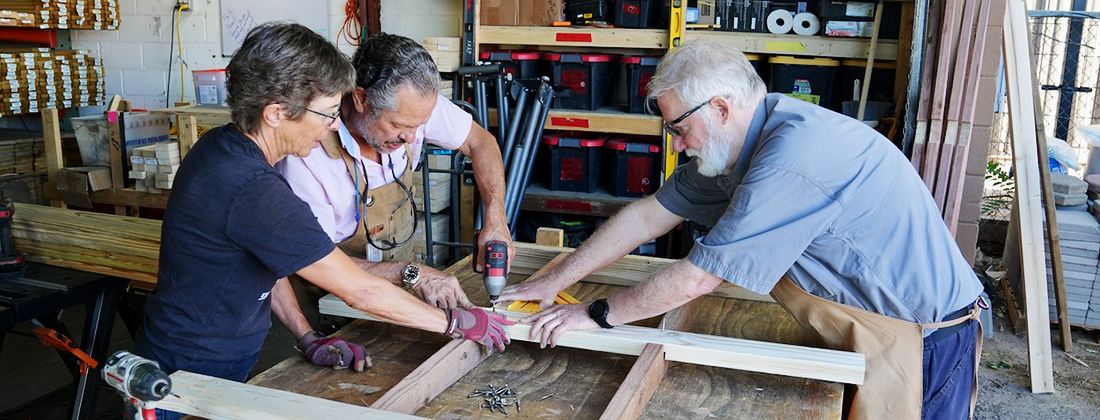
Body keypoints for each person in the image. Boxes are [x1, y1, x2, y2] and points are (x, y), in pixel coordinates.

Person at [498, 40, 985, 420]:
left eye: (678, 129)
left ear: (721, 108)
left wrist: (597, 314)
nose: (678, 145)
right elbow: (650, 213)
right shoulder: (736, 149)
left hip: (922, 343)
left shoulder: (790, 159)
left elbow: (698, 277)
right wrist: (556, 279)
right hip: (873, 326)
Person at [134, 23, 513, 420]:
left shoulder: (222, 146)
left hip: (213, 356)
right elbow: (359, 292)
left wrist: (306, 336)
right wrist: (453, 322)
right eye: (329, 114)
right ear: (277, 114)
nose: (335, 126)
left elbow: (269, 263)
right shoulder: (255, 189)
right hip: (184, 374)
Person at [275, 33, 511, 311]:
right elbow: (315, 261)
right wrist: (410, 273)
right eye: (400, 125)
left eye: (419, 125)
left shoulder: (413, 106)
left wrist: (496, 217)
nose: (412, 137)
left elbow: (481, 141)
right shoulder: (308, 156)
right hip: (330, 305)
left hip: (399, 294)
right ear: (361, 99)